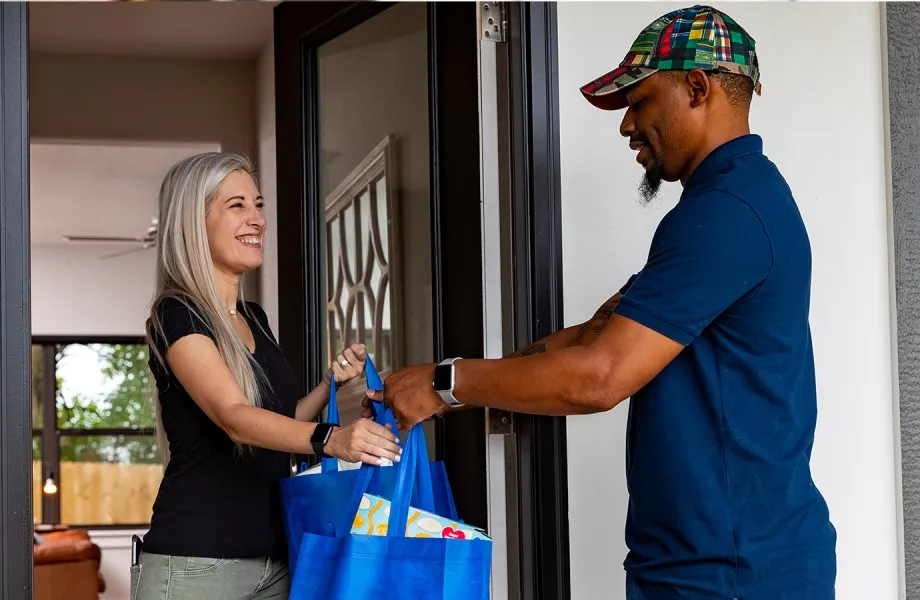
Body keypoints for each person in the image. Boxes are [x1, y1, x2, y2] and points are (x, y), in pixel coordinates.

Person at [373, 6, 836, 600]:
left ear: (697, 88)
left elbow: (600, 377)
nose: (626, 126)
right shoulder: (722, 206)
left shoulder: (729, 214)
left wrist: (446, 382)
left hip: (731, 575)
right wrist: (438, 392)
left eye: (639, 102)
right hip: (710, 566)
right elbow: (598, 334)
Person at [133, 152, 401, 600]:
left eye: (258, 204)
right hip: (195, 567)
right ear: (193, 223)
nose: (257, 218)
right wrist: (332, 438)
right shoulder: (176, 314)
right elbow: (235, 417)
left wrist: (329, 385)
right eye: (236, 205)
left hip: (276, 561)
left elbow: (275, 421)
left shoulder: (254, 317)